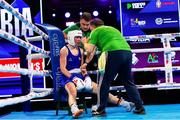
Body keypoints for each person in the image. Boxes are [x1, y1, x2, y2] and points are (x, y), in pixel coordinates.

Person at [59, 30, 134, 118]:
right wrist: (73, 78)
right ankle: (75, 110)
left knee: (100, 89)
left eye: (80, 37)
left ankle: (125, 104)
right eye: (76, 37)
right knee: (72, 90)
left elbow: (82, 68)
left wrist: (86, 77)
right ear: (71, 38)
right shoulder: (64, 50)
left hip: (80, 76)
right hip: (67, 77)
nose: (79, 39)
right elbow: (62, 69)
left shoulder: (81, 50)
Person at [81, 18, 145, 116]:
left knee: (104, 82)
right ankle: (140, 108)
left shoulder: (95, 31)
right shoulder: (113, 29)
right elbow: (94, 51)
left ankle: (100, 110)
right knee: (128, 82)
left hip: (113, 53)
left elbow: (89, 49)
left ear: (92, 26)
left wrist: (84, 42)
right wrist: (86, 62)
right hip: (127, 52)